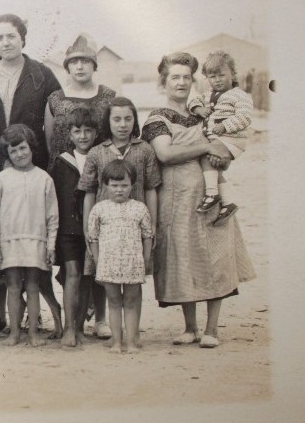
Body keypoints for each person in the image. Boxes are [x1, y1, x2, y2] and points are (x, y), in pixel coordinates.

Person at [141, 52, 256, 349]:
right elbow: (165, 154)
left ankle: (212, 329)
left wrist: (220, 154)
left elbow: (225, 151)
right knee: (183, 258)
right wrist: (206, 144)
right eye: (174, 77)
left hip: (211, 194)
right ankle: (190, 327)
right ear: (163, 82)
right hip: (176, 199)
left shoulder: (206, 113)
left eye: (186, 77)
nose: (181, 82)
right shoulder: (157, 118)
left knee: (215, 257)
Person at [0, 14, 62, 337]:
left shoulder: (42, 76)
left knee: (28, 235)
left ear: (23, 38)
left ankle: (33, 314)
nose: (5, 43)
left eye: (11, 36)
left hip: (28, 165)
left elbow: (54, 123)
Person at [78, 96, 160, 339]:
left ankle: (133, 335)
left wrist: (153, 224)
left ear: (134, 120)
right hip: (107, 228)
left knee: (134, 283)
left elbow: (151, 188)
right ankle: (109, 328)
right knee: (106, 276)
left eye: (128, 119)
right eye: (116, 119)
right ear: (108, 121)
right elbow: (89, 192)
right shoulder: (96, 152)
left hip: (135, 227)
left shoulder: (144, 149)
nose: (122, 124)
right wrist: (87, 227)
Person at [0, 124, 59, 347]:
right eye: (13, 151)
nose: (19, 154)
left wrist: (51, 245)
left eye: (22, 148)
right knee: (14, 287)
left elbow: (52, 216)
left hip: (36, 241)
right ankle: (15, 333)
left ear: (31, 146)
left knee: (34, 287)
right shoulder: (2, 178)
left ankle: (34, 333)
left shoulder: (44, 178)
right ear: (7, 154)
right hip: (10, 241)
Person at [86, 159, 154, 355]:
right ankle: (117, 341)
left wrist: (146, 259)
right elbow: (93, 237)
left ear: (132, 185)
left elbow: (147, 235)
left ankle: (131, 341)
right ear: (105, 185)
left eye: (124, 185)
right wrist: (99, 262)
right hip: (109, 264)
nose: (119, 190)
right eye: (114, 185)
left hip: (133, 263)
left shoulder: (139, 208)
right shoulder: (99, 209)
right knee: (114, 302)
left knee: (131, 302)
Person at [188, 50, 254, 225]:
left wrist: (224, 125)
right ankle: (228, 202)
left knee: (207, 157)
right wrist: (198, 109)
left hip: (232, 139)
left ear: (232, 74)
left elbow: (245, 117)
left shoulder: (240, 95)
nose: (217, 80)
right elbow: (193, 100)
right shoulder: (209, 94)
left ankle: (212, 193)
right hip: (218, 139)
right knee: (211, 163)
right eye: (212, 76)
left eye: (221, 75)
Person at [50, 107, 98, 348]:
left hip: (93, 228)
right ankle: (69, 328)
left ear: (96, 133)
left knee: (87, 278)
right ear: (69, 134)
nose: (83, 136)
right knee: (72, 274)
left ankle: (80, 328)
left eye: (88, 131)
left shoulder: (101, 157)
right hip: (68, 228)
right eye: (77, 131)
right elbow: (55, 197)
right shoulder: (62, 161)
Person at [43, 32, 116, 170]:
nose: (79, 67)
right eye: (73, 62)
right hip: (65, 173)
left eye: (85, 61)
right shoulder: (55, 100)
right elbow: (50, 143)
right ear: (67, 67)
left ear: (94, 65)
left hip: (102, 171)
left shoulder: (109, 97)